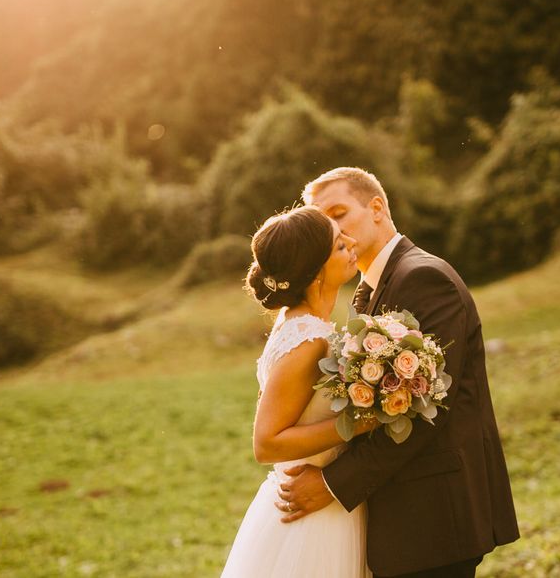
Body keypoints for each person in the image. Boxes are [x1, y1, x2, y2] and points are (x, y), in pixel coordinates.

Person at [276, 167, 519, 578]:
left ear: (376, 208)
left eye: (338, 213)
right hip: (405, 516)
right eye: (322, 222)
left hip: (434, 517)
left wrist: (333, 483)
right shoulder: (370, 288)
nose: (333, 231)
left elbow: (424, 410)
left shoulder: (422, 278)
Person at [221, 205, 376, 578]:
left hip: (329, 503)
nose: (353, 243)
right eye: (340, 246)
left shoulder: (304, 326)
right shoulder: (307, 340)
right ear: (315, 270)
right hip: (313, 517)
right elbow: (267, 443)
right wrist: (359, 425)